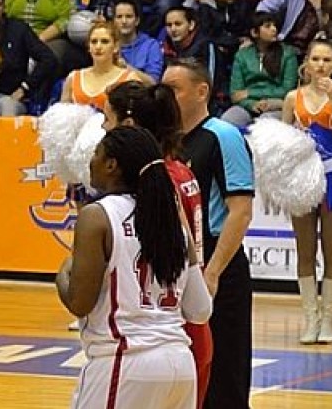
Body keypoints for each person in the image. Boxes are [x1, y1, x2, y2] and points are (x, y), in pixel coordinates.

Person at [57, 126, 212, 409]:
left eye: (96, 154)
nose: (91, 161)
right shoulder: (173, 222)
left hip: (125, 362)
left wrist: (62, 276)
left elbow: (80, 303)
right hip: (180, 366)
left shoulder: (97, 215)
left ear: (111, 165)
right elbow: (200, 310)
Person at [102, 82, 212, 404]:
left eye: (107, 120)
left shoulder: (156, 182)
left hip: (164, 323)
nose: (102, 128)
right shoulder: (180, 170)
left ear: (128, 126)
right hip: (184, 319)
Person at [162, 59, 255, 409]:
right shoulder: (168, 142)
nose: (166, 95)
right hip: (179, 262)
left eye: (175, 88)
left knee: (224, 372)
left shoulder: (224, 136)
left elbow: (241, 211)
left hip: (217, 264)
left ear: (202, 92)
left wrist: (212, 273)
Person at [285, 40, 332, 346]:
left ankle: (328, 318)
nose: (321, 65)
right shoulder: (293, 97)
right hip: (303, 179)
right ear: (306, 62)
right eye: (315, 58)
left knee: (331, 250)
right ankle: (310, 317)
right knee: (304, 251)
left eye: (327, 59)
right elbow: (283, 143)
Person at [222, 12, 298, 127]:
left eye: (274, 26)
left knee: (264, 124)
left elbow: (287, 89)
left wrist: (251, 93)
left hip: (276, 104)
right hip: (248, 104)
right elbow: (235, 93)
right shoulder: (242, 55)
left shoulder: (288, 54)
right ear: (254, 32)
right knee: (227, 121)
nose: (274, 29)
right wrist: (252, 104)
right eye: (268, 26)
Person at [64, 21, 149, 111]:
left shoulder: (129, 79)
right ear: (89, 47)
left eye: (104, 41)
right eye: (94, 42)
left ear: (116, 46)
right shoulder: (73, 78)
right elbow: (60, 117)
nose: (98, 46)